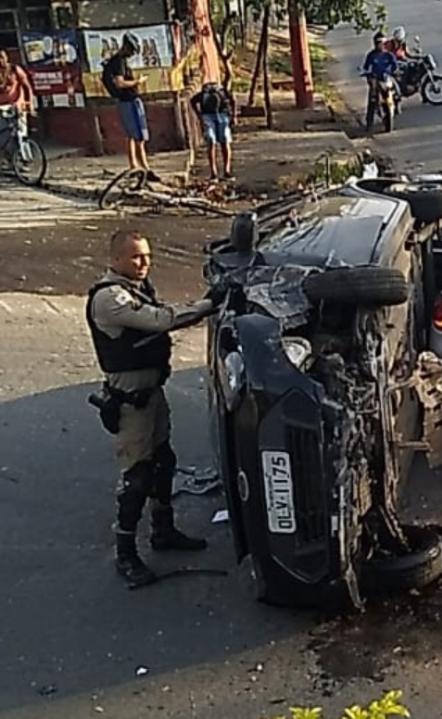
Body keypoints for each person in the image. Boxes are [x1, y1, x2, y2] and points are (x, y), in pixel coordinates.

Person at [86, 230, 224, 587]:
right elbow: (162, 320)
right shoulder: (110, 298)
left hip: (151, 391)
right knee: (137, 477)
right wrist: (209, 304)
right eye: (135, 257)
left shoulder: (136, 287)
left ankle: (164, 530)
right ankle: (126, 553)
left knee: (164, 462)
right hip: (131, 399)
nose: (144, 262)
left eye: (147, 255)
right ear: (115, 259)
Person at [102, 33, 159, 181]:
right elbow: (120, 83)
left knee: (134, 135)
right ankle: (143, 167)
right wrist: (137, 82)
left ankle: (136, 165)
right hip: (128, 101)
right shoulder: (119, 62)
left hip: (127, 100)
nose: (132, 54)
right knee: (138, 135)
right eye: (132, 50)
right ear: (126, 47)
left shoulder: (119, 61)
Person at [190, 82, 236, 180]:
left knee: (225, 141)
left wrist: (233, 115)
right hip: (208, 116)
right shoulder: (203, 94)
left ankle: (226, 170)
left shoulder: (223, 92)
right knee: (211, 140)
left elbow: (233, 100)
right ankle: (213, 172)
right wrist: (199, 116)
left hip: (222, 115)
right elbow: (193, 101)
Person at [0, 50, 35, 139]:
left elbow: (28, 87)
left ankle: (24, 151)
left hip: (18, 106)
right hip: (3, 108)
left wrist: (30, 103)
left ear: (6, 58)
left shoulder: (15, 69)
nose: (1, 60)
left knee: (22, 135)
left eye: (2, 57)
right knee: (5, 136)